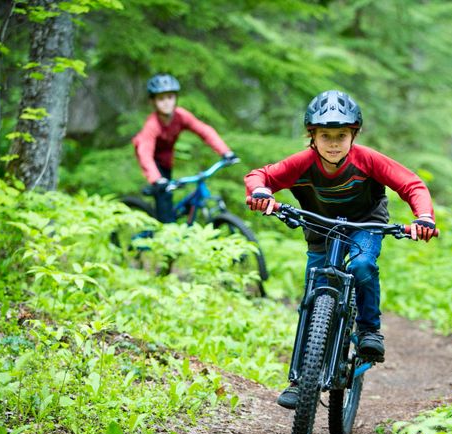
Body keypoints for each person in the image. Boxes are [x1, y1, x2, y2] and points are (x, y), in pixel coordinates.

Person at [245, 90, 436, 409]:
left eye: (341, 135)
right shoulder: (302, 163)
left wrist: (424, 217)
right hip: (320, 226)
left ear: (353, 135)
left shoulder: (368, 159)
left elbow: (410, 184)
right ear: (312, 136)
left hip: (366, 224)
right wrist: (262, 192)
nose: (334, 143)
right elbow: (259, 176)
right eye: (325, 135)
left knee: (362, 267)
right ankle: (299, 379)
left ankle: (369, 330)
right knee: (314, 293)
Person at [132, 73, 236, 223]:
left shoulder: (181, 116)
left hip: (167, 159)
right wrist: (156, 179)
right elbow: (145, 153)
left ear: (175, 98)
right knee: (164, 203)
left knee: (172, 196)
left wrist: (225, 152)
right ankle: (164, 233)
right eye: (161, 99)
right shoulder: (152, 125)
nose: (166, 102)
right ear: (153, 102)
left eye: (170, 97)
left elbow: (204, 130)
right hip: (153, 163)